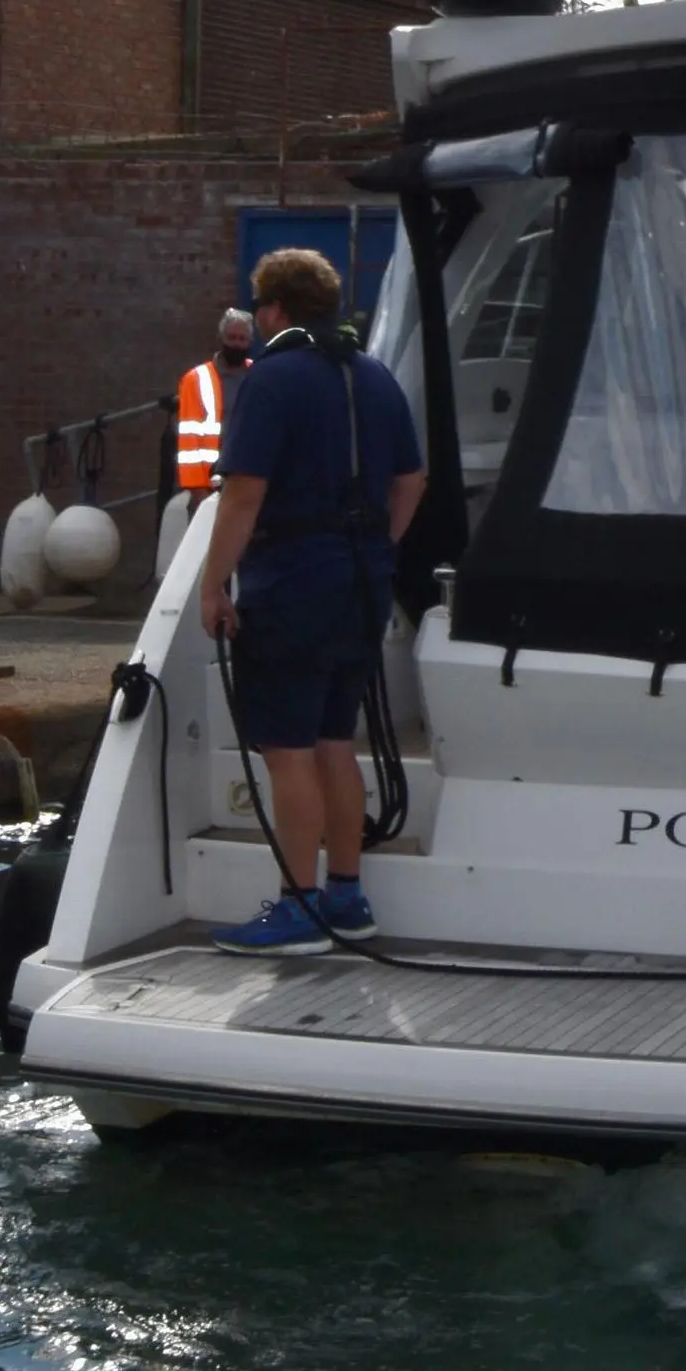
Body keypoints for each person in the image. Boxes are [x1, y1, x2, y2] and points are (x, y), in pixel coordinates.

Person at [199, 247, 424, 953]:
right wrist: (377, 548)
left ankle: (298, 909)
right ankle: (347, 897)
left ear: (274, 310)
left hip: (292, 582)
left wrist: (215, 584)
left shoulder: (273, 382)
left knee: (287, 750)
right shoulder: (377, 377)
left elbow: (243, 494)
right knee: (336, 742)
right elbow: (412, 482)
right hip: (361, 586)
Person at [171, 305, 255, 499]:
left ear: (250, 342)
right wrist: (198, 492)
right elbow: (188, 443)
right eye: (231, 337)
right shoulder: (196, 378)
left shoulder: (257, 375)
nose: (236, 344)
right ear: (221, 339)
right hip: (207, 485)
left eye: (242, 339)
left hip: (245, 481)